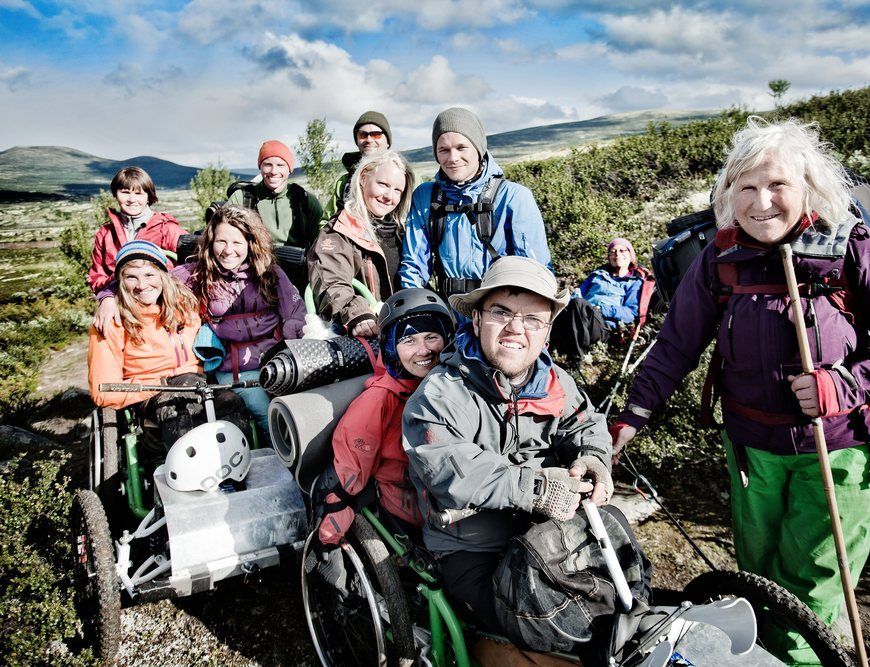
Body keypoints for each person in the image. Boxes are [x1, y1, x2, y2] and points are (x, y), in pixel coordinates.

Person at [610, 117, 870, 664]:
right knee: (757, 589)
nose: (761, 202)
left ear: (808, 185)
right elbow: (674, 346)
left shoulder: (863, 251)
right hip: (752, 453)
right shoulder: (720, 260)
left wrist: (844, 384)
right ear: (727, 195)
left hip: (842, 450)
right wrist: (632, 417)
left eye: (777, 185)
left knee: (807, 601)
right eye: (746, 187)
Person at [402, 256, 614, 639]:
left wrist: (594, 459)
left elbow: (585, 424)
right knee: (548, 631)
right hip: (471, 546)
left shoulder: (554, 380)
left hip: (551, 533)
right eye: (501, 312)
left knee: (616, 602)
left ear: (547, 331)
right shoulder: (439, 395)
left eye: (533, 318)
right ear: (478, 319)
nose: (516, 328)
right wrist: (536, 488)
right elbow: (452, 469)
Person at [317, 288, 455, 547]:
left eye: (432, 337)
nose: (423, 350)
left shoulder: (457, 386)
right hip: (407, 508)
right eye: (409, 341)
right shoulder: (379, 400)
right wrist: (330, 532)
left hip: (453, 501)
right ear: (391, 347)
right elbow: (350, 469)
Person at [88, 240, 248, 452]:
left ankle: (238, 468)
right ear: (119, 282)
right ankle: (190, 477)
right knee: (176, 407)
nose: (142, 285)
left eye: (150, 275)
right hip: (152, 394)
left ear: (163, 276)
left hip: (197, 384)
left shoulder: (185, 305)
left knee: (231, 401)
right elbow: (103, 391)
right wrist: (160, 383)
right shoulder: (111, 321)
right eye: (131, 277)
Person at [175, 206, 306, 436]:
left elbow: (296, 311)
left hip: (274, 360)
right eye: (221, 241)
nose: (228, 251)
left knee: (299, 407)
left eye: (237, 243)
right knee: (269, 412)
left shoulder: (269, 273)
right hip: (234, 368)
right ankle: (280, 460)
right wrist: (107, 297)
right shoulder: (199, 274)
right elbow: (151, 279)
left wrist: (292, 340)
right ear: (210, 241)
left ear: (250, 243)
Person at [398, 107, 553, 302]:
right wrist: (419, 310)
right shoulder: (426, 196)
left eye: (462, 147)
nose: (453, 158)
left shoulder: (514, 197)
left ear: (478, 148)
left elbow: (535, 273)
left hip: (501, 310)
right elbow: (413, 265)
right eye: (443, 150)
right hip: (448, 310)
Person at [308, 151, 415, 336]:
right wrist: (358, 314)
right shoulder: (339, 231)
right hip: (366, 334)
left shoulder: (402, 232)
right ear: (364, 178)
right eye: (383, 184)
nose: (389, 196)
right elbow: (331, 282)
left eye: (397, 190)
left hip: (402, 330)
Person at [549, 237, 654, 364]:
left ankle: (576, 359)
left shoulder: (634, 282)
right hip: (580, 315)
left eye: (622, 251)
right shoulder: (597, 275)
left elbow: (630, 313)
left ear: (630, 255)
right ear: (609, 257)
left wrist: (601, 309)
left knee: (579, 304)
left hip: (602, 325)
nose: (617, 254)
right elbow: (578, 293)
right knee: (555, 307)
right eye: (613, 251)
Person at [88, 166, 186, 293]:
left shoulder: (167, 229)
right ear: (115, 194)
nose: (131, 199)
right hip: (121, 307)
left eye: (138, 193)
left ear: (148, 196)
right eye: (125, 192)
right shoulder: (106, 233)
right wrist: (115, 285)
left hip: (162, 307)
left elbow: (190, 271)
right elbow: (96, 279)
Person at [226, 139, 325, 251]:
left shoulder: (306, 201)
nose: (273, 171)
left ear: (290, 169)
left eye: (280, 165)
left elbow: (320, 246)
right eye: (268, 164)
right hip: (254, 265)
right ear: (260, 167)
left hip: (297, 266)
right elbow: (222, 235)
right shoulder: (242, 198)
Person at [323, 110, 392, 219]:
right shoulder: (344, 182)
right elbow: (326, 221)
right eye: (362, 135)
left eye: (376, 135)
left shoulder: (406, 177)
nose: (369, 140)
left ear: (387, 142)